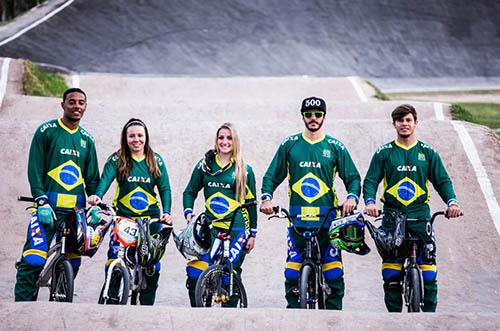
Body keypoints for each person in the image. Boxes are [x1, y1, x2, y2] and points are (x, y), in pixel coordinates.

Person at [259, 96, 361, 310]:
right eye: (308, 114)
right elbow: (271, 176)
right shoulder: (290, 145)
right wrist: (266, 198)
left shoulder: (335, 147)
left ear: (324, 116)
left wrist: (351, 198)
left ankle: (333, 319)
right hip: (297, 219)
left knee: (333, 272)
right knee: (291, 272)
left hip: (328, 219)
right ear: (302, 116)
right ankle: (294, 317)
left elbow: (352, 177)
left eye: (318, 114)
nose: (313, 118)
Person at [363, 104, 461, 312]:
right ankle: (395, 320)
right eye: (400, 120)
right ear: (394, 124)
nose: (404, 124)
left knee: (429, 274)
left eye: (408, 120)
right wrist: (370, 203)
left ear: (416, 122)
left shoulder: (428, 153)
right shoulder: (384, 153)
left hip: (420, 218)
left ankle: (429, 319)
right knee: (391, 274)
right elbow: (371, 181)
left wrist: (451, 203)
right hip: (392, 218)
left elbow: (442, 181)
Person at [15, 88, 100, 301]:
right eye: (72, 102)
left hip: (75, 212)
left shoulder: (87, 139)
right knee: (33, 259)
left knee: (74, 261)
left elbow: (92, 178)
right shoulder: (46, 131)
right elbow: (35, 169)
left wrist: (95, 203)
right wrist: (40, 199)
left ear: (86, 107)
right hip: (48, 208)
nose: (77, 106)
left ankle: (60, 296)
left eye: (81, 103)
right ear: (63, 105)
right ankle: (21, 307)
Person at [88, 118, 172, 305]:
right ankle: (110, 300)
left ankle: (147, 306)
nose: (136, 140)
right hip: (124, 218)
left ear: (146, 137)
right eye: (132, 136)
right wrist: (97, 196)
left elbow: (165, 188)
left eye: (140, 135)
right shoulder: (117, 159)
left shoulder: (156, 160)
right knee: (115, 259)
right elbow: (105, 179)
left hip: (150, 219)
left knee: (152, 265)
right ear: (125, 138)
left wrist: (166, 212)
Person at [183, 122, 257, 307]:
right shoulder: (205, 165)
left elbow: (251, 205)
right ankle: (200, 313)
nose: (225, 141)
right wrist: (189, 212)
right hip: (210, 229)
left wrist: (253, 234)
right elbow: (189, 191)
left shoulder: (244, 169)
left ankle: (229, 320)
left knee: (229, 277)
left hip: (237, 229)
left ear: (235, 141)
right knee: (195, 273)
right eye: (221, 137)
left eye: (229, 137)